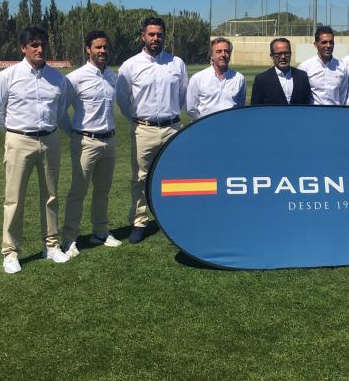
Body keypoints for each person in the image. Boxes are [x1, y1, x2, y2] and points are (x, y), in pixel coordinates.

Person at [0, 26, 71, 273]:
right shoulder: (8, 76)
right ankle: (10, 252)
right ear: (23, 48)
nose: (40, 48)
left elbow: (61, 110)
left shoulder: (58, 79)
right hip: (19, 140)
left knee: (51, 195)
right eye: (34, 44)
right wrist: (14, 134)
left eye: (43, 43)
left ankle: (52, 245)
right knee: (14, 198)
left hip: (50, 140)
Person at [116, 17, 188, 244]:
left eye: (159, 34)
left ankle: (173, 217)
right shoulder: (130, 65)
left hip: (173, 127)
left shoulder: (177, 63)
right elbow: (122, 100)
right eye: (151, 34)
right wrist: (139, 121)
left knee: (175, 175)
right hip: (144, 129)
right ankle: (139, 220)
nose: (156, 38)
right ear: (143, 37)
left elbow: (182, 95)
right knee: (140, 177)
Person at [61, 30, 121, 258]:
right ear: (88, 49)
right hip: (85, 141)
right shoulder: (75, 78)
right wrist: (76, 135)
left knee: (103, 191)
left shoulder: (112, 76)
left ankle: (100, 231)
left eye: (105, 47)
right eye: (98, 47)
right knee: (78, 191)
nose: (103, 51)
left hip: (109, 140)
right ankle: (70, 238)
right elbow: (60, 112)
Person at [186, 37, 246, 120]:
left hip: (230, 128)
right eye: (219, 51)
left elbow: (240, 108)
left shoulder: (239, 78)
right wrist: (203, 124)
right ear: (211, 55)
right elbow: (191, 110)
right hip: (205, 129)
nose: (223, 55)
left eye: (226, 51)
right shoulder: (197, 78)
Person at [250, 37, 312, 105]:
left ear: (291, 54)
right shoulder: (261, 80)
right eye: (278, 54)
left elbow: (307, 104)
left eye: (286, 53)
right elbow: (255, 108)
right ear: (272, 56)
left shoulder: (302, 76)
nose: (283, 57)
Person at [297, 26, 348, 105]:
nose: (328, 45)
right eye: (324, 42)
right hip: (314, 114)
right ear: (315, 44)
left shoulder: (342, 67)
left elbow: (342, 95)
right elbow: (301, 95)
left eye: (331, 42)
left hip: (335, 113)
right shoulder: (305, 67)